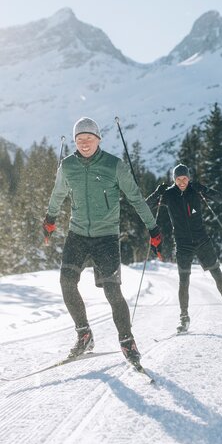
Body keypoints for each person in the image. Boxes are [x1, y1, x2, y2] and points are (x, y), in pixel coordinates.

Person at [43, 117, 162, 365]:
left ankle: (127, 341)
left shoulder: (114, 166)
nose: (84, 143)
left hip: (106, 237)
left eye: (89, 138)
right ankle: (84, 333)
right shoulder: (68, 166)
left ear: (98, 140)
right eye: (79, 139)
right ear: (75, 142)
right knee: (66, 282)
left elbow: (136, 198)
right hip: (77, 235)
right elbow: (57, 194)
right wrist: (50, 220)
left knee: (112, 291)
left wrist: (154, 229)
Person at [147, 163, 222, 333]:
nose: (182, 182)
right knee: (184, 281)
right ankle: (184, 318)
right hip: (183, 243)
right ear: (174, 180)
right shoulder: (169, 195)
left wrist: (204, 189)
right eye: (178, 179)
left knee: (216, 272)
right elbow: (146, 206)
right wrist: (157, 193)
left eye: (184, 178)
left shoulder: (195, 190)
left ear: (189, 178)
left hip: (202, 240)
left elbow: (220, 198)